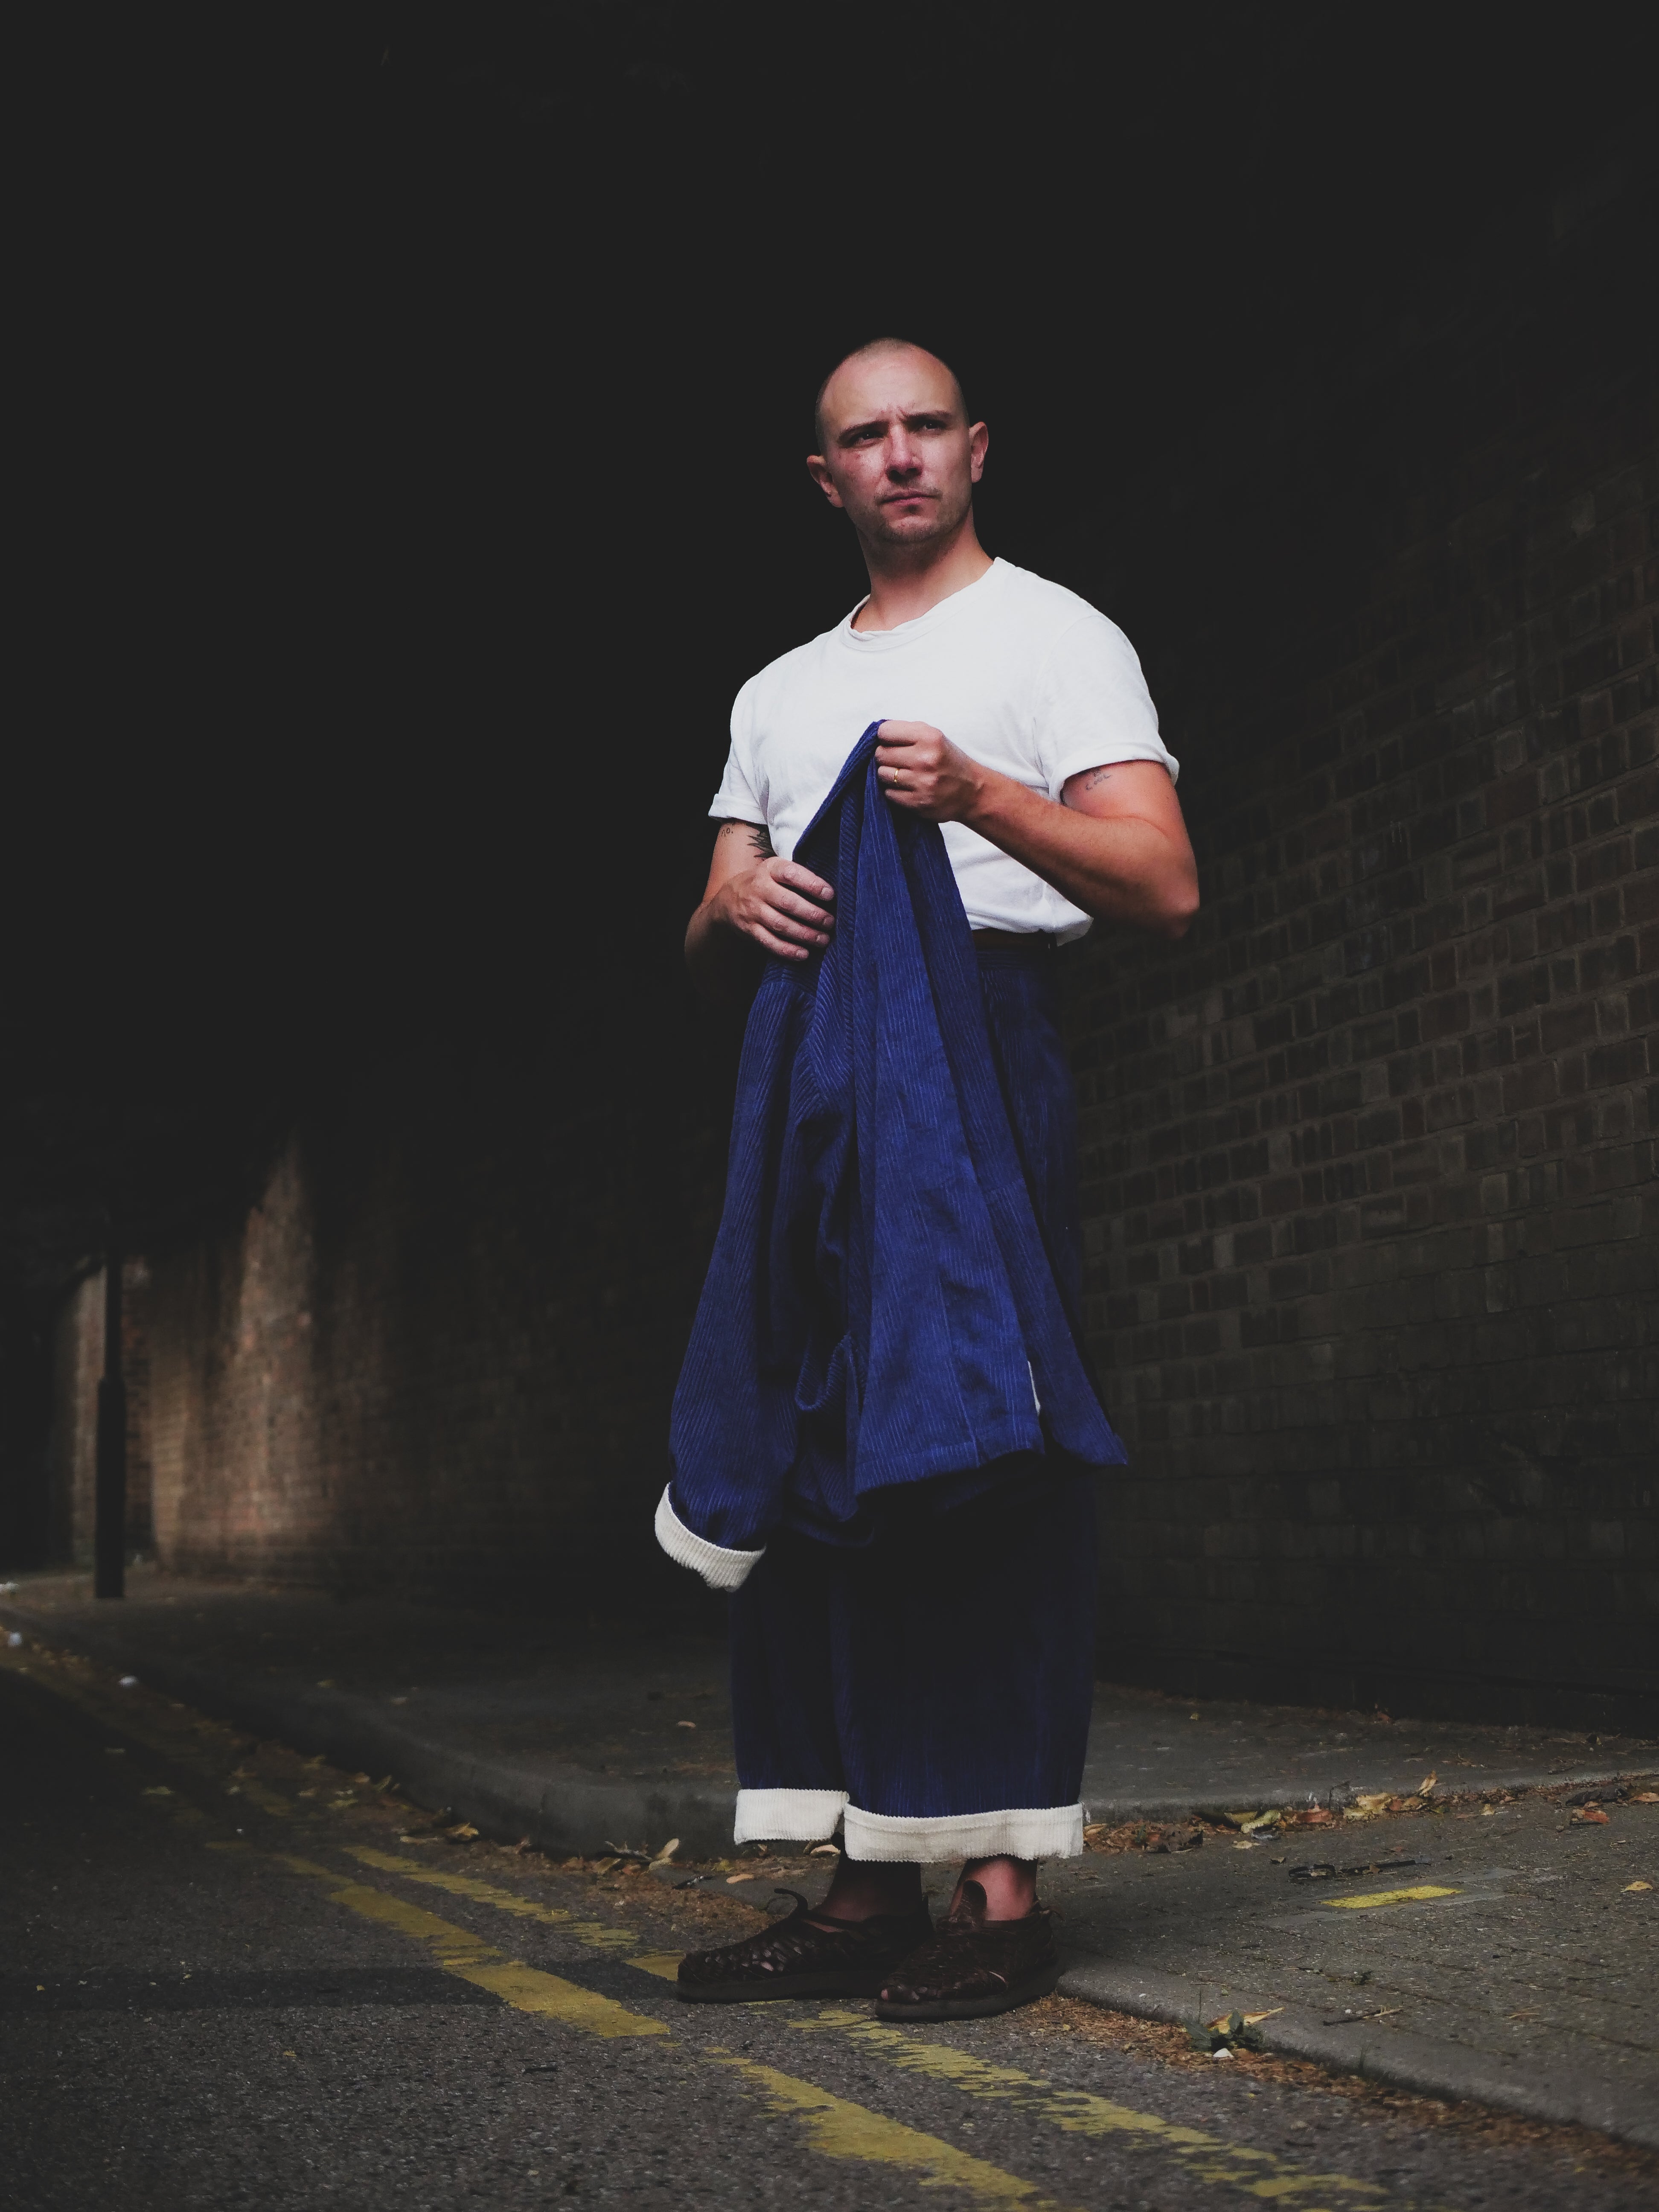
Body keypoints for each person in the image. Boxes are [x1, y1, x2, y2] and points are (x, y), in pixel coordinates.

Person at [661, 338, 1197, 2021]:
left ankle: (1001, 1895)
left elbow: (1164, 883)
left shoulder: (1056, 637)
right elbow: (711, 913)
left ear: (976, 449)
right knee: (817, 1439)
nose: (897, 458)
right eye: (860, 439)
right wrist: (729, 910)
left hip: (980, 1059)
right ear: (825, 479)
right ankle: (858, 1883)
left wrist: (978, 793)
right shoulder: (775, 693)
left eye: (923, 429)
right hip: (811, 1076)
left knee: (980, 1437)